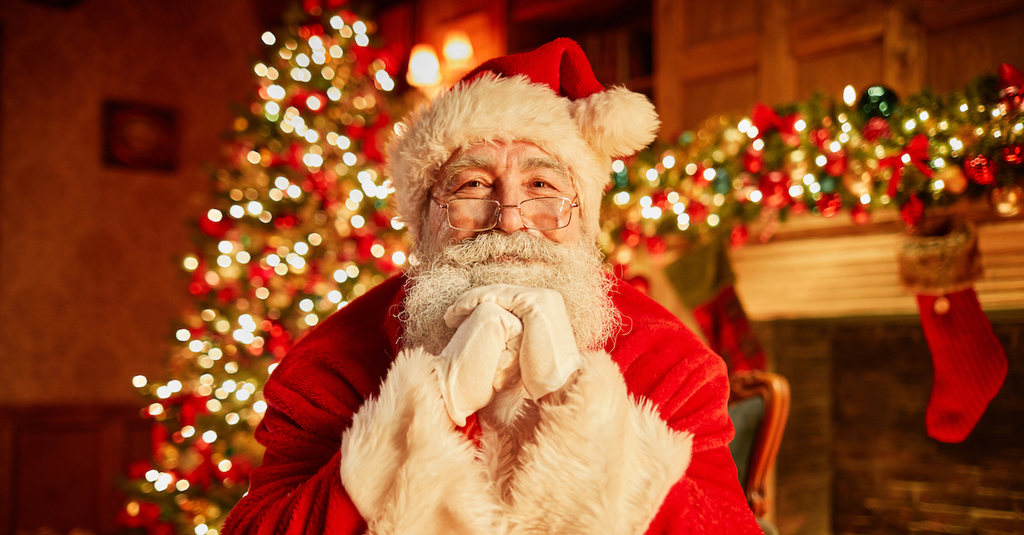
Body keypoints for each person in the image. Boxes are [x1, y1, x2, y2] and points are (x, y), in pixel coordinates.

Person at [222, 38, 762, 535]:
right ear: (426, 219)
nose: (507, 217)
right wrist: (430, 406)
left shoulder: (671, 361)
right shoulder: (327, 364)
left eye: (542, 184)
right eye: (473, 184)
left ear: (583, 215)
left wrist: (574, 398)